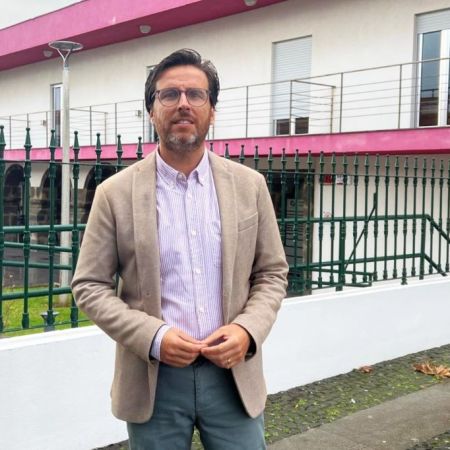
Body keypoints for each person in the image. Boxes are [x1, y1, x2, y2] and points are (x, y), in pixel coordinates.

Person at [71, 48, 288, 450]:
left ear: (212, 110)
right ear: (152, 111)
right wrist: (154, 336)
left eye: (196, 94)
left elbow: (272, 273)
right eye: (169, 94)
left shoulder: (250, 186)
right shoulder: (114, 194)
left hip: (234, 377)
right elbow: (89, 285)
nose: (183, 104)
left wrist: (247, 330)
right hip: (153, 381)